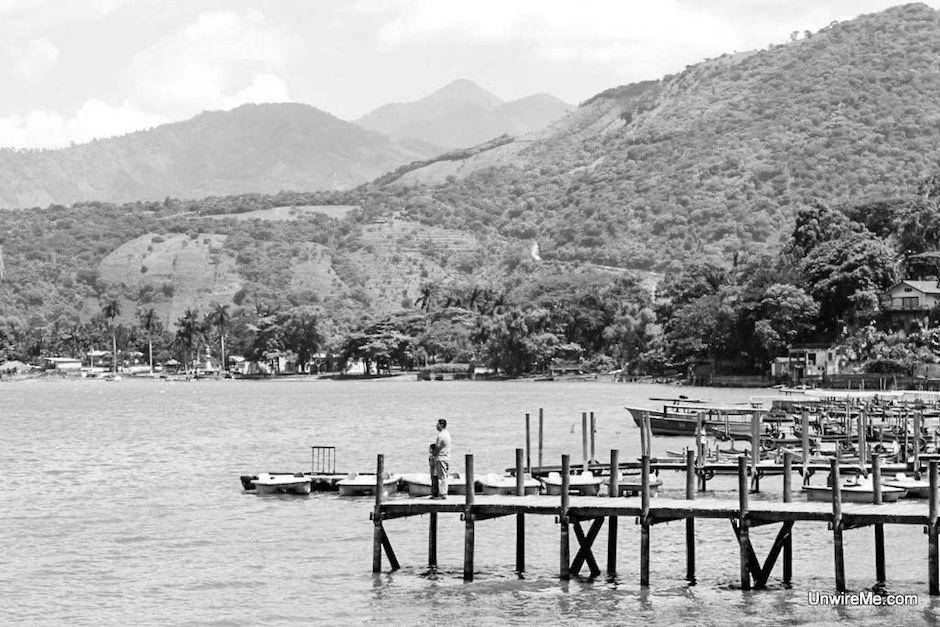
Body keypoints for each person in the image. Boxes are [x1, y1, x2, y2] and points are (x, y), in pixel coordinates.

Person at [430, 419, 451, 499]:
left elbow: (438, 447)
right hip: (447, 457)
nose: (436, 426)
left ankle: (443, 494)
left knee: (441, 477)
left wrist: (434, 456)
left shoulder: (441, 435)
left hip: (441, 457)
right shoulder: (447, 434)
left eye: (437, 424)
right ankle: (443, 493)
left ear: (441, 425)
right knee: (445, 475)